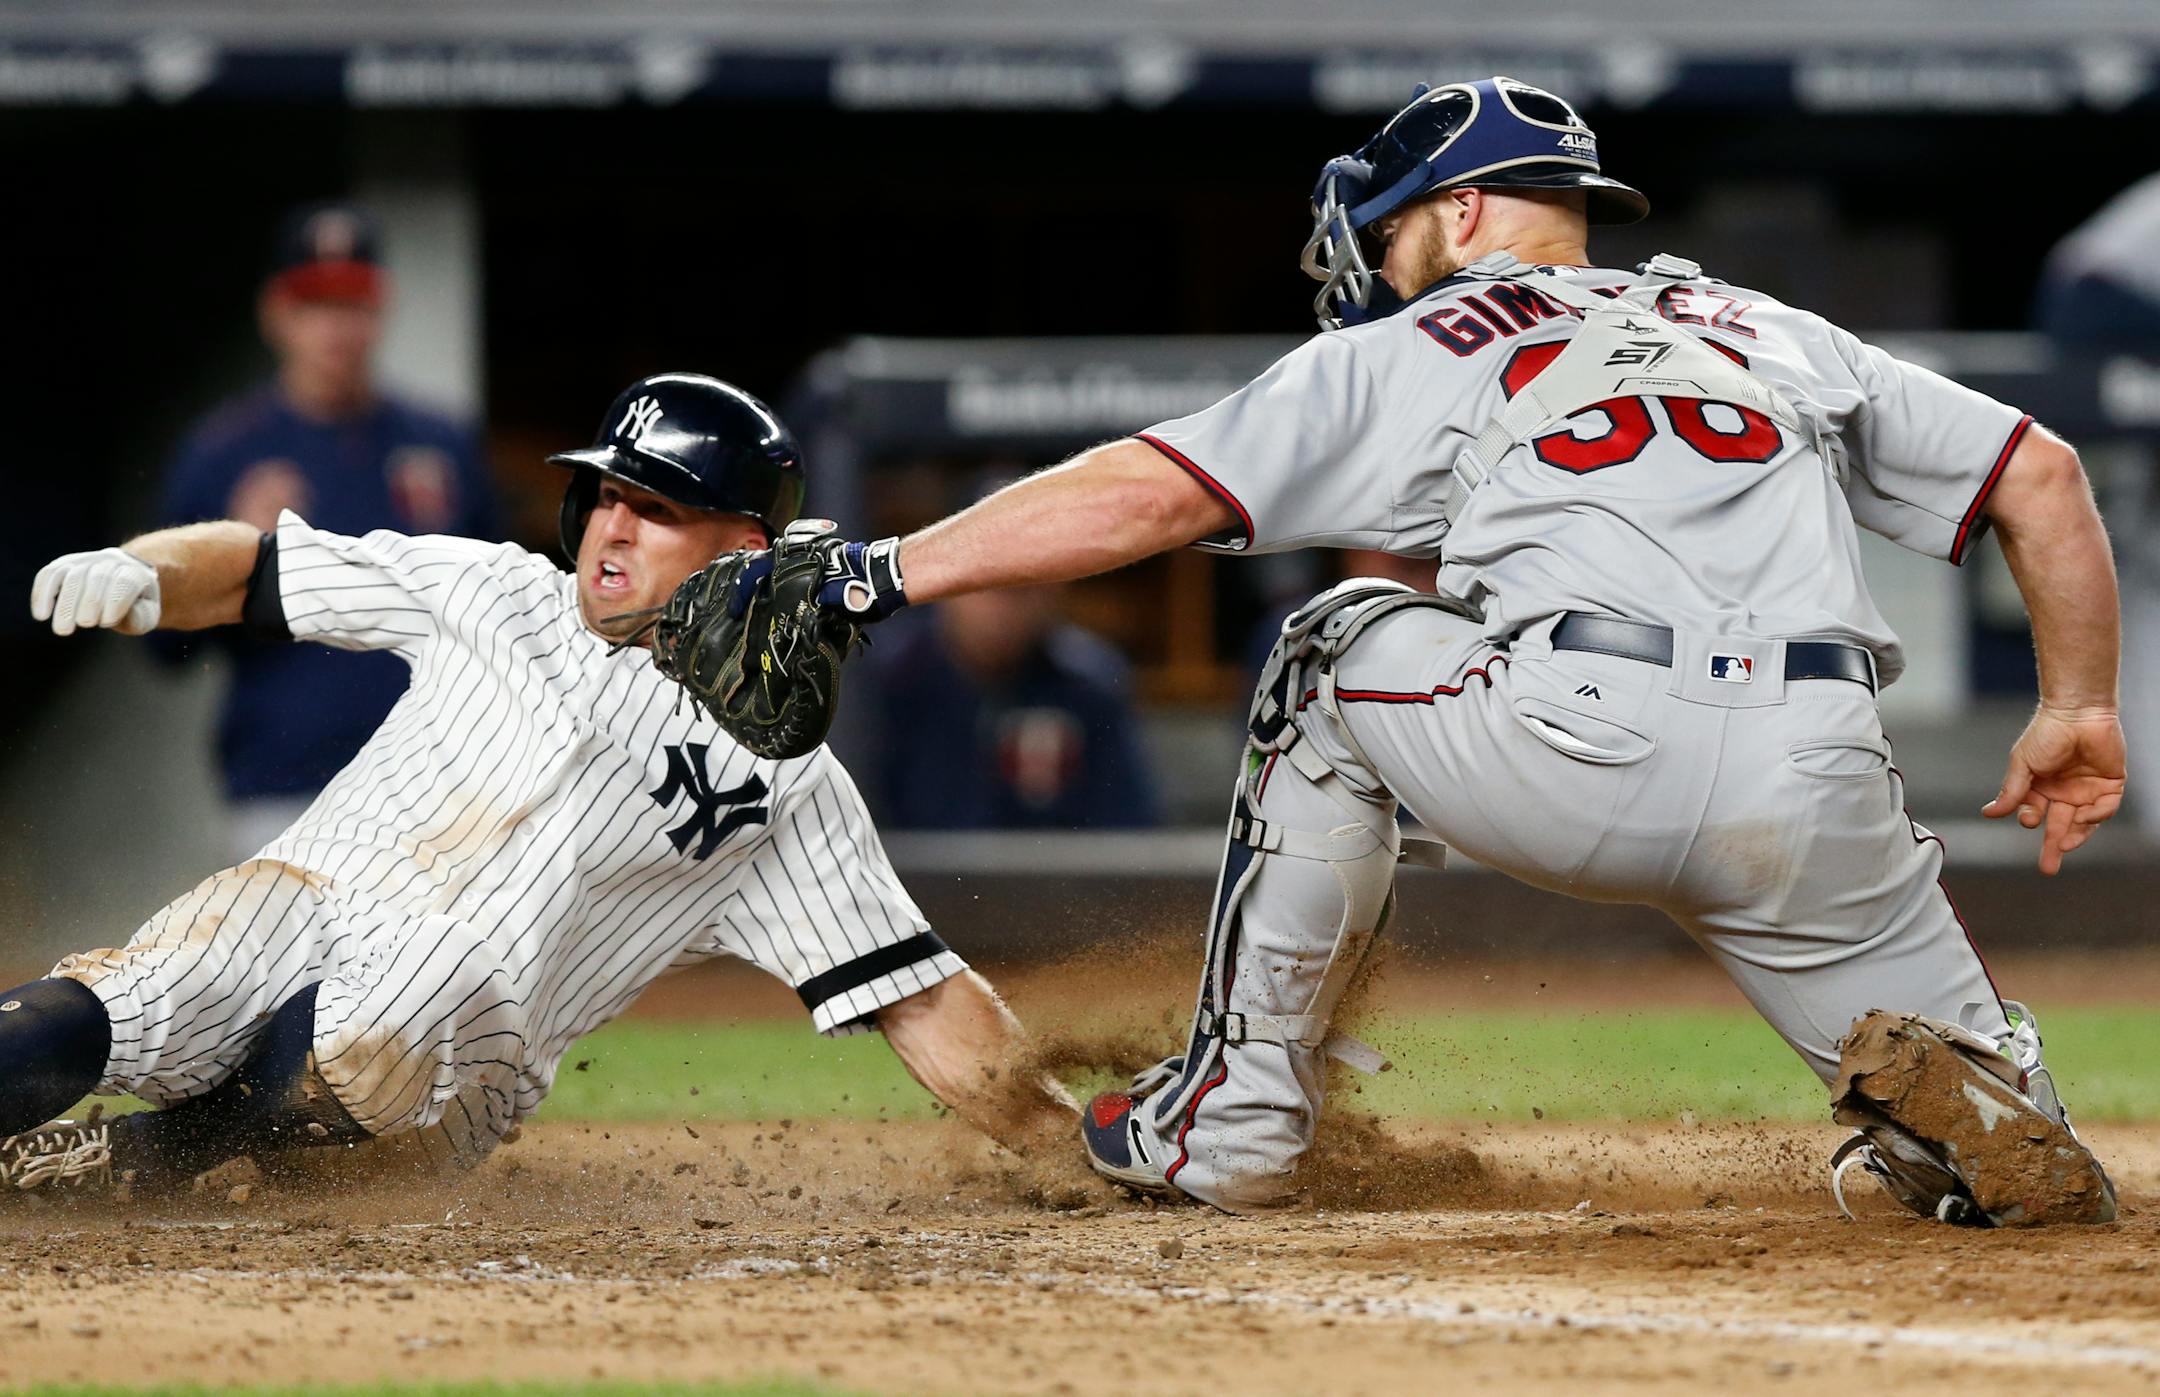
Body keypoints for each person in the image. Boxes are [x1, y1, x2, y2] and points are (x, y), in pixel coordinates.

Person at [764, 78, 2126, 1225]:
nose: (1375, 254)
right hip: (1823, 772)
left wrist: (881, 572)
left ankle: (1236, 1121)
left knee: (1325, 646)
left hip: (1576, 742)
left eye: (1391, 224)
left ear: (1463, 210)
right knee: (2002, 1129)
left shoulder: (1430, 336)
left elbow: (1152, 492)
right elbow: (2045, 475)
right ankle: (1952, 1132)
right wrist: (2078, 707)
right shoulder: (1763, 327)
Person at [3, 372, 1072, 1196]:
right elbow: (250, 565)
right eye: (605, 493)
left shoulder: (784, 781)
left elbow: (921, 997)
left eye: (653, 507)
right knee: (146, 986)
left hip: (431, 1093)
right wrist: (148, 568)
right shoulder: (492, 588)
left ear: (747, 550)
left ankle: (151, 1153)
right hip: (300, 924)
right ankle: (100, 1142)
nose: (610, 524)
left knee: (422, 969)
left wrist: (1073, 1144)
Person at [158, 202, 499, 858]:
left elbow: (496, 616)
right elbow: (164, 649)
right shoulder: (225, 451)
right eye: (313, 303)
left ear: (381, 307)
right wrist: (226, 547)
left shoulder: (442, 445)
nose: (335, 326)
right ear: (275, 312)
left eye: (353, 301)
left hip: (430, 786)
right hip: (281, 788)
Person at [873, 581, 1161, 829]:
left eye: (1024, 590)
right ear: (946, 586)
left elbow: (1130, 839)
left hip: (1053, 891)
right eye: (985, 587)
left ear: (1057, 588)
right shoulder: (886, 676)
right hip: (896, 889)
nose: (1003, 610)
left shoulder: (1092, 685)